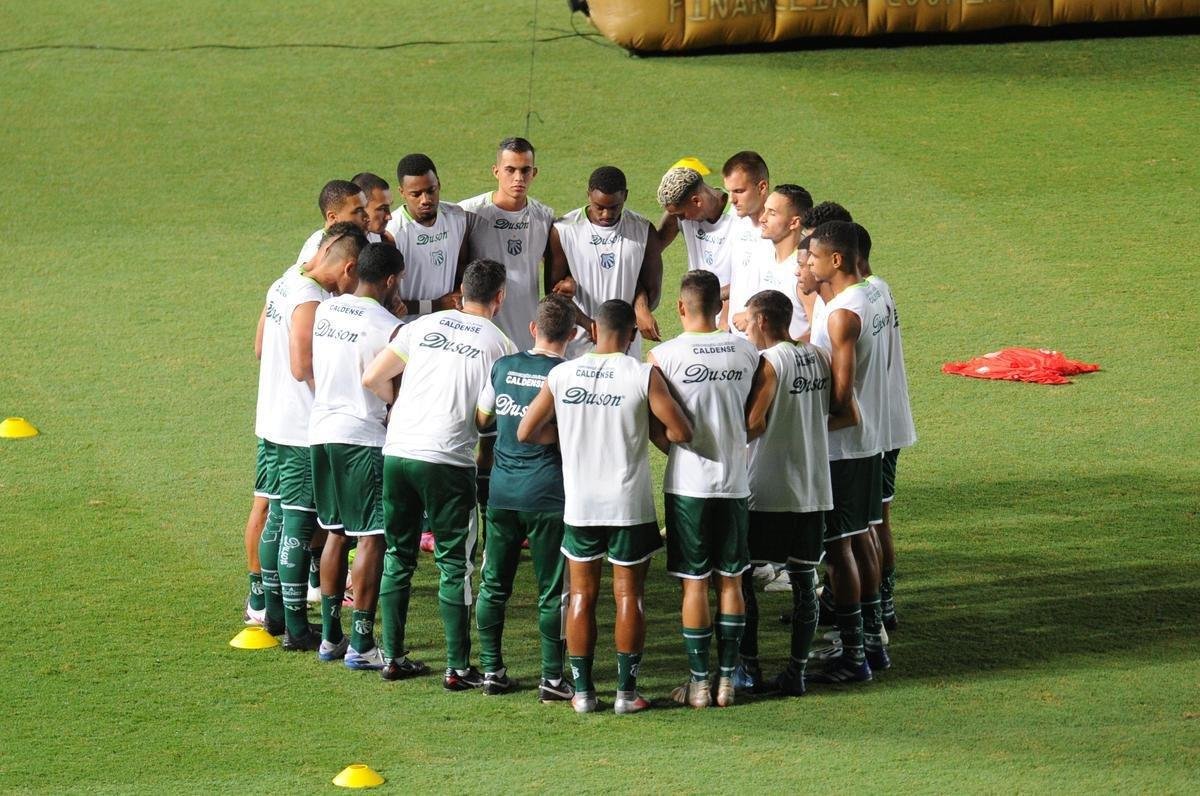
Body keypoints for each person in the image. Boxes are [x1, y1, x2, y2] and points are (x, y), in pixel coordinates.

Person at [518, 300, 693, 715]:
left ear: (593, 330)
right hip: (628, 506)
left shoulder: (561, 374)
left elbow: (526, 430)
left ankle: (581, 694)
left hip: (581, 505)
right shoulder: (642, 374)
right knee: (629, 596)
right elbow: (681, 431)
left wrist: (570, 440)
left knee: (581, 595)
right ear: (632, 334)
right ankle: (626, 694)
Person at [362, 259, 516, 687]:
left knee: (398, 555)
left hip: (398, 451)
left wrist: (398, 409)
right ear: (499, 297)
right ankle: (457, 667)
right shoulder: (500, 345)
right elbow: (490, 417)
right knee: (454, 564)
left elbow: (373, 376)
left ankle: (391, 656)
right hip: (448, 459)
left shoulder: (421, 326)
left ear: (461, 292)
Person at [647, 271, 759, 709]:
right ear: (720, 308)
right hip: (734, 483)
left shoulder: (662, 357)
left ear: (680, 307)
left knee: (694, 584)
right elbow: (754, 415)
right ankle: (728, 682)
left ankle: (697, 684)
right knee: (731, 580)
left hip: (688, 484)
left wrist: (677, 451)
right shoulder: (747, 352)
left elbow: (657, 427)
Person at [256, 223, 368, 649]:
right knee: (298, 526)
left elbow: (261, 348)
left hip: (272, 419)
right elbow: (303, 367)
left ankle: (275, 615)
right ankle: (298, 630)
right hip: (300, 428)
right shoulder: (310, 299)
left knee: (280, 518)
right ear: (349, 266)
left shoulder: (283, 283)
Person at [473, 294, 577, 701]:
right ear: (571, 334)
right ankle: (552, 678)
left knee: (494, 584)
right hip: (549, 494)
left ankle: (491, 671)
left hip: (501, 492)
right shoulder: (569, 376)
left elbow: (482, 419)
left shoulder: (503, 366)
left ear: (534, 329)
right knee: (551, 590)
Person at [307, 242, 405, 668]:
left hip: (320, 432)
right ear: (389, 280)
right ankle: (362, 644)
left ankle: (331, 638)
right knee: (373, 536)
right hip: (362, 438)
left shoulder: (327, 310)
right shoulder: (388, 325)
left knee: (334, 532)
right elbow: (383, 385)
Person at [738, 289, 838, 696]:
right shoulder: (817, 356)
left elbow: (755, 423)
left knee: (740, 576)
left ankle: (749, 666)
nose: (745, 330)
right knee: (804, 580)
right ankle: (795, 671)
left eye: (746, 323)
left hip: (769, 488)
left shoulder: (770, 362)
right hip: (814, 487)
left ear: (762, 321)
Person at [805, 220, 890, 683]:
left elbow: (841, 401)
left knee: (841, 549)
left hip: (842, 448)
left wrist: (801, 423)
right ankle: (873, 642)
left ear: (835, 260)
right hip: (870, 441)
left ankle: (854, 654)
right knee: (864, 535)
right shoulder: (872, 293)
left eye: (813, 258)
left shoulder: (841, 314)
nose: (809, 265)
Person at [852, 223, 916, 631]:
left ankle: (877, 608)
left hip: (877, 428)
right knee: (872, 523)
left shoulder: (857, 301)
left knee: (868, 525)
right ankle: (877, 603)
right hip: (888, 421)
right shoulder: (880, 288)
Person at [548, 166, 664, 358]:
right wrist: (590, 325)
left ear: (625, 196)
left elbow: (653, 290)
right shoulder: (564, 230)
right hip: (578, 346)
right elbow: (553, 294)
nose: (606, 215)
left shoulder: (643, 231)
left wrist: (641, 308)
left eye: (614, 207)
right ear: (588, 196)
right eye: (599, 207)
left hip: (625, 343)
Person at [460, 138, 555, 347]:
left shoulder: (544, 217)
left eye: (525, 170)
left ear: (534, 173)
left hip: (525, 327)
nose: (518, 178)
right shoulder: (469, 213)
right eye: (510, 170)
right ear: (496, 171)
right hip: (479, 329)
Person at [385, 154, 475, 324]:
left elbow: (462, 264)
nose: (425, 200)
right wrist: (436, 305)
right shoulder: (393, 233)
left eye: (430, 190)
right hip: (407, 330)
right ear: (402, 193)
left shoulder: (456, 217)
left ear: (439, 184)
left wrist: (459, 292)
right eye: (416, 194)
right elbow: (388, 302)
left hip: (447, 325)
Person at [656, 166, 736, 326]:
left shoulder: (739, 215)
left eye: (680, 214)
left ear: (697, 200)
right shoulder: (680, 215)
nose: (681, 220)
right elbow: (653, 248)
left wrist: (715, 302)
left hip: (735, 319)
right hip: (700, 318)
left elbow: (755, 274)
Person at [721, 152, 773, 337]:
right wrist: (724, 314)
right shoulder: (736, 220)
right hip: (737, 336)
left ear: (762, 187)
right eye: (729, 191)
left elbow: (784, 287)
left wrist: (752, 315)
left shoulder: (781, 231)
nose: (732, 200)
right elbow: (739, 274)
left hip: (768, 339)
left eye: (739, 191)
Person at [755, 184, 813, 341]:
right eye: (765, 210)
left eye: (772, 213)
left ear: (794, 223)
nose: (762, 218)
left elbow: (819, 331)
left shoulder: (804, 270)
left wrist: (787, 353)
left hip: (792, 362)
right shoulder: (764, 255)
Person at [295, 180, 370, 266]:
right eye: (358, 211)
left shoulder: (352, 240)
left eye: (365, 208)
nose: (367, 217)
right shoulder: (317, 253)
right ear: (332, 217)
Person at [352, 172, 396, 247]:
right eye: (382, 209)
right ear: (361, 208)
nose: (389, 217)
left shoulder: (385, 240)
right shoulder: (334, 248)